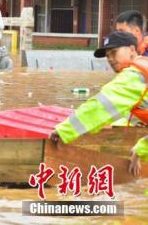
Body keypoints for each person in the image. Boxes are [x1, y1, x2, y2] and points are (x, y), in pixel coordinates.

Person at [48, 32, 148, 171]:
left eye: (114, 52)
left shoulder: (133, 76)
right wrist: (140, 150)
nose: (111, 59)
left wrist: (65, 129)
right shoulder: (143, 68)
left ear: (131, 50)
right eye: (108, 56)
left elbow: (100, 107)